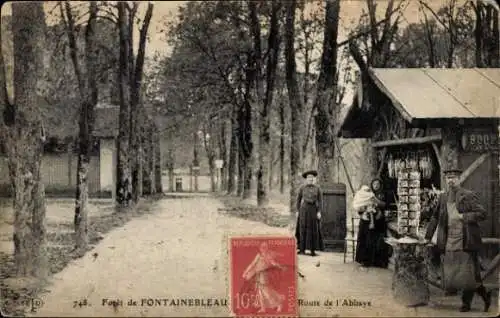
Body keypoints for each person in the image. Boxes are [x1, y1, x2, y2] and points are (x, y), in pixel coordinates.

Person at [424, 168, 492, 312]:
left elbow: (482, 213)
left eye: (454, 177)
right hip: (449, 240)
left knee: (469, 275)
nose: (451, 180)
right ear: (445, 180)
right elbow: (435, 217)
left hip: (465, 240)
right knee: (453, 274)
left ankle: (470, 301)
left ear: (459, 179)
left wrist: (465, 217)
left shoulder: (468, 195)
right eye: (448, 178)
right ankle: (479, 296)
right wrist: (427, 237)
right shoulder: (443, 197)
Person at [242, 242, 286, 313]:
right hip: (257, 275)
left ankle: (279, 303)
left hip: (264, 275)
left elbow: (274, 263)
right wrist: (246, 272)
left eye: (264, 247)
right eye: (262, 247)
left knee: (266, 292)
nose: (262, 248)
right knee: (260, 293)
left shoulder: (268, 256)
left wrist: (280, 267)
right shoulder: (259, 255)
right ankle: (263, 308)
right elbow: (252, 264)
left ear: (267, 248)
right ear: (260, 248)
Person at [353, 184, 390, 268]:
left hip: (372, 222)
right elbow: (359, 209)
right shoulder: (363, 198)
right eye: (374, 184)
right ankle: (361, 259)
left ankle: (368, 261)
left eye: (378, 184)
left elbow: (377, 208)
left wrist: (372, 222)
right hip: (364, 220)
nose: (376, 185)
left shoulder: (373, 197)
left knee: (369, 241)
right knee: (362, 240)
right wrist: (361, 209)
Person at [295, 170, 324, 256]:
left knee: (313, 229)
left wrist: (319, 211)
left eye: (312, 178)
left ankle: (312, 250)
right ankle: (302, 249)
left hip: (313, 209)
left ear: (314, 179)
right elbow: (298, 200)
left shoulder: (317, 188)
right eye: (308, 178)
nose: (310, 179)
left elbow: (320, 201)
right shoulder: (302, 188)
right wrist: (297, 210)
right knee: (302, 228)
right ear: (306, 179)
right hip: (304, 209)